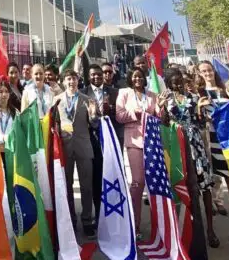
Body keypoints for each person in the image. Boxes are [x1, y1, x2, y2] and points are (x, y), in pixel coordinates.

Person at [163, 67, 220, 248]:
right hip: (177, 146)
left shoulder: (194, 98)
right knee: (184, 187)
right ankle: (189, 229)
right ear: (168, 83)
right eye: (173, 81)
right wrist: (160, 108)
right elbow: (164, 123)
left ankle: (210, 229)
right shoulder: (166, 100)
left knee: (205, 186)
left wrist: (200, 110)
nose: (178, 84)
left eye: (179, 80)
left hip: (195, 144)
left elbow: (202, 123)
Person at [115, 68, 162, 234]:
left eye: (140, 76)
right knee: (138, 181)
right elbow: (119, 116)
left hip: (152, 141)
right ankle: (134, 224)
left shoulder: (152, 95)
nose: (138, 79)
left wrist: (162, 107)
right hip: (134, 141)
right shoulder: (124, 93)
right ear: (130, 78)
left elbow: (159, 117)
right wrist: (134, 113)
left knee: (154, 182)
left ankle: (160, 226)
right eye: (135, 77)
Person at [55, 69, 96, 237]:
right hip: (65, 147)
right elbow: (54, 123)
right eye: (68, 79)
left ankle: (87, 219)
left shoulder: (87, 100)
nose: (71, 82)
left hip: (83, 146)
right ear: (63, 82)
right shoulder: (57, 100)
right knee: (67, 185)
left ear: (78, 80)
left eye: (74, 79)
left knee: (86, 186)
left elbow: (94, 125)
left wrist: (93, 115)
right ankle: (70, 219)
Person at [86, 63, 119, 221]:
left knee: (112, 175)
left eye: (99, 74)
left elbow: (119, 115)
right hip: (91, 140)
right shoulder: (83, 93)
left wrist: (110, 111)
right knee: (96, 178)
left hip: (110, 141)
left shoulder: (114, 92)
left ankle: (113, 213)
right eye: (93, 74)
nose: (97, 77)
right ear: (89, 76)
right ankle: (99, 214)